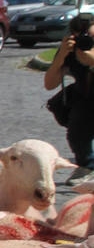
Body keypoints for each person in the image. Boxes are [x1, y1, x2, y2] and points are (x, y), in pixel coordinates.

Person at [45, 14, 94, 172]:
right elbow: (50, 84)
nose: (85, 38)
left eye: (89, 33)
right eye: (80, 34)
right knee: (77, 134)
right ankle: (87, 166)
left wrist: (89, 58)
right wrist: (61, 57)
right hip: (85, 98)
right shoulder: (71, 50)